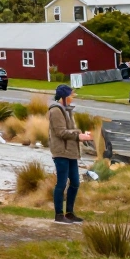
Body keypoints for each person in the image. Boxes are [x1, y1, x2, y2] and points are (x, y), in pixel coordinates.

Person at [48, 84, 93, 225]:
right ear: (63, 97)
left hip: (72, 152)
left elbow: (70, 130)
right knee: (61, 183)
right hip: (61, 152)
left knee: (75, 182)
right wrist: (79, 136)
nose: (72, 97)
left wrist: (82, 134)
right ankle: (59, 215)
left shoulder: (67, 110)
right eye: (71, 95)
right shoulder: (56, 111)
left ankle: (70, 213)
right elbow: (60, 132)